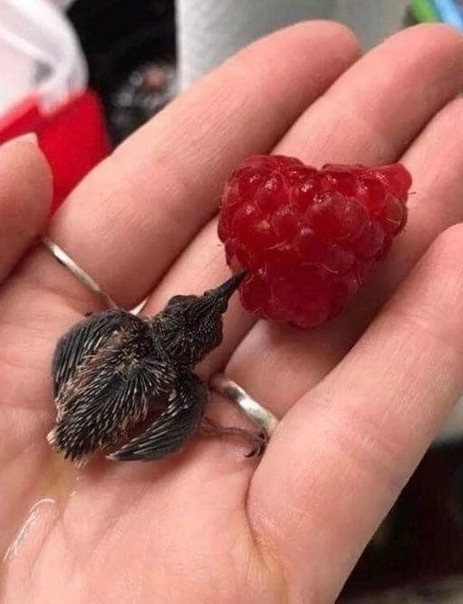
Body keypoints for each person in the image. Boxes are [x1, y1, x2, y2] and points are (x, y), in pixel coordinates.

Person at [1, 20, 463, 603]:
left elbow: (87, 346)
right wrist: (190, 430)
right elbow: (134, 392)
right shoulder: (175, 383)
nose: (217, 300)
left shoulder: (130, 337)